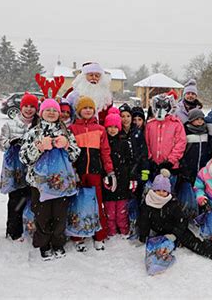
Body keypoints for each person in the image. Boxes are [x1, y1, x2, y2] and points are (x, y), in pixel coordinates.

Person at [137, 169, 212, 271]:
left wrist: (175, 234)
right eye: (158, 190)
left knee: (195, 244)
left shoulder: (172, 204)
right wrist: (143, 235)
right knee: (159, 249)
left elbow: (182, 221)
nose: (161, 193)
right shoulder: (148, 203)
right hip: (160, 231)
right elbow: (144, 221)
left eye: (164, 191)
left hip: (177, 230)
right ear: (153, 190)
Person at [19, 98, 80, 260]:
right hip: (39, 185)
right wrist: (38, 147)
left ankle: (58, 243)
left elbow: (75, 155)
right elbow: (24, 158)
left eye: (54, 110)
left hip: (62, 184)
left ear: (59, 114)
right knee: (42, 215)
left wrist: (67, 146)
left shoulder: (66, 131)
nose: (51, 113)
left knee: (60, 215)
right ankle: (44, 245)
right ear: (41, 113)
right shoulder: (33, 133)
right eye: (48, 110)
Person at [68, 96, 116, 251]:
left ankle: (99, 235)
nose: (88, 110)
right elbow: (68, 153)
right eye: (84, 108)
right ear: (79, 110)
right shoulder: (73, 129)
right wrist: (72, 170)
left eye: (90, 108)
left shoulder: (100, 129)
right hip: (78, 173)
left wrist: (110, 172)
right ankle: (78, 235)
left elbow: (105, 152)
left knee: (97, 203)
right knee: (78, 204)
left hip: (95, 173)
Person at [0, 92, 39, 240]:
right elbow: (1, 145)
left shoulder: (39, 124)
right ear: (21, 107)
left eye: (32, 106)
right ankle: (13, 230)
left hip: (33, 167)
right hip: (15, 167)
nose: (29, 109)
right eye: (26, 106)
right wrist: (11, 142)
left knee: (32, 198)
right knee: (16, 199)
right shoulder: (9, 124)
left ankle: (30, 227)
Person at [103, 107, 137, 237]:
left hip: (123, 180)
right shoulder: (104, 142)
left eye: (115, 127)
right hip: (110, 181)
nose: (112, 130)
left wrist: (132, 178)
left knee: (122, 210)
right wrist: (104, 176)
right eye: (110, 127)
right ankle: (111, 230)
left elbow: (130, 161)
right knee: (110, 209)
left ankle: (123, 229)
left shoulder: (124, 143)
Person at [145, 94, 186, 180]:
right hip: (154, 167)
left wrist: (170, 161)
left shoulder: (176, 124)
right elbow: (146, 143)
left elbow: (180, 143)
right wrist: (150, 158)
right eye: (159, 106)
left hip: (171, 167)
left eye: (164, 106)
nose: (161, 109)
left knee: (168, 191)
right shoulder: (150, 124)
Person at [179, 108, 209, 185]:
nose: (200, 121)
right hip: (189, 164)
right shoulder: (186, 130)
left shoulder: (205, 130)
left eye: (202, 119)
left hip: (202, 164)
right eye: (197, 119)